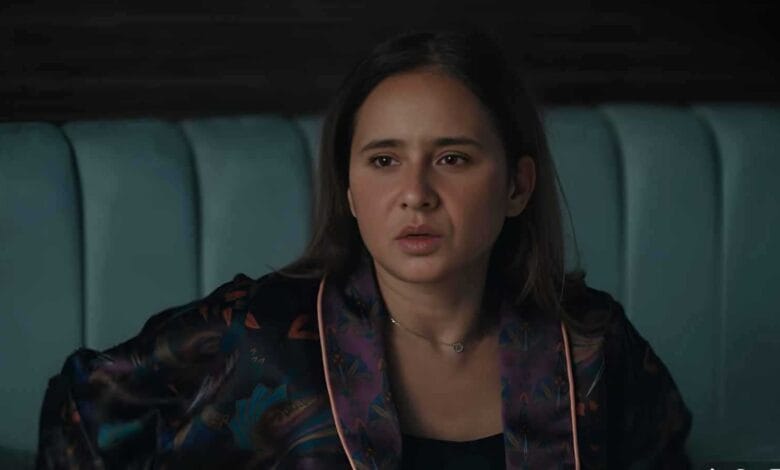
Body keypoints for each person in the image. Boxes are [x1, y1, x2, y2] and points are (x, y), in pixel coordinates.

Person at [36, 29, 692, 469]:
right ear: (349, 190)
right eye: (383, 160)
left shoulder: (592, 344)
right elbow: (82, 409)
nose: (416, 194)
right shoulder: (259, 334)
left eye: (453, 158)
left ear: (518, 186)